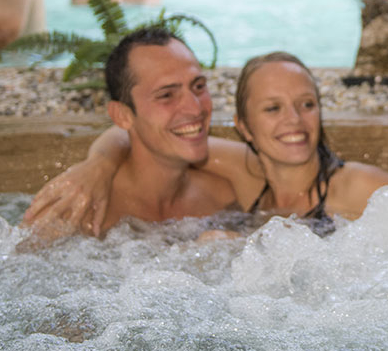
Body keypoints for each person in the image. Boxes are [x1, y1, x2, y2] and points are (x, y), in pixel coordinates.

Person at [22, 50, 388, 239]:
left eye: (306, 104)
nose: (294, 122)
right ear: (244, 128)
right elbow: (140, 134)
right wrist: (97, 166)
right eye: (272, 109)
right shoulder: (241, 168)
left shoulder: (358, 188)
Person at [24, 27, 240, 244]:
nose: (195, 108)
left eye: (199, 86)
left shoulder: (225, 198)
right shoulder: (76, 211)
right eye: (166, 95)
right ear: (122, 115)